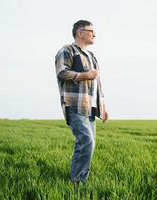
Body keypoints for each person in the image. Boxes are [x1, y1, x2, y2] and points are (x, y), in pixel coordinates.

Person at [55, 20, 108, 183]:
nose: (94, 34)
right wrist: (84, 75)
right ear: (80, 33)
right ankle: (78, 182)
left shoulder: (92, 56)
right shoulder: (67, 50)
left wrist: (103, 106)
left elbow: (97, 84)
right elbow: (62, 72)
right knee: (86, 142)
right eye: (91, 31)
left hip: (91, 107)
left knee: (87, 145)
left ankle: (79, 179)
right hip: (75, 104)